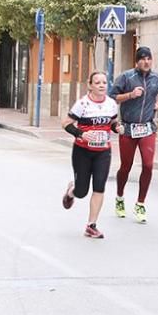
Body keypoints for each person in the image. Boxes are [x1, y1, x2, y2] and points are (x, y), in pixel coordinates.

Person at [109, 46, 158, 223]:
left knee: (148, 165)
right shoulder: (127, 77)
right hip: (128, 128)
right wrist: (130, 95)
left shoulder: (157, 78)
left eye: (149, 58)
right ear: (137, 61)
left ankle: (140, 203)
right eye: (143, 58)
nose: (146, 61)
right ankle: (119, 197)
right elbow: (112, 96)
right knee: (126, 166)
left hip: (147, 127)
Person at [62, 71, 124, 238]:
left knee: (99, 187)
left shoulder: (111, 104)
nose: (102, 85)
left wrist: (117, 128)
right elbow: (66, 123)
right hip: (82, 151)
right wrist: (80, 134)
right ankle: (71, 191)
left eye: (104, 82)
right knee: (82, 191)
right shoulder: (82, 104)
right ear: (90, 85)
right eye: (97, 83)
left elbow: (111, 122)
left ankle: (91, 225)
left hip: (103, 151)